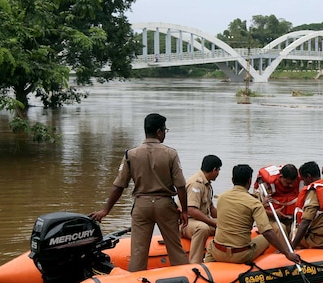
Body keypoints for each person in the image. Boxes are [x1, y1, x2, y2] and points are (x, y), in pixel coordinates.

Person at [89, 113, 189, 271]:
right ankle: (187, 281)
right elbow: (181, 186)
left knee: (138, 252)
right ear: (158, 132)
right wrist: (184, 211)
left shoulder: (131, 154)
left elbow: (118, 186)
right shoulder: (171, 154)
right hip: (165, 205)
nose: (164, 133)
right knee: (175, 249)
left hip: (141, 206)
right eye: (164, 130)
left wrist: (105, 210)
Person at [204, 164, 301, 265]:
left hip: (217, 251)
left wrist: (262, 204)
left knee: (212, 245)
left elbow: (239, 210)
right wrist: (287, 253)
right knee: (268, 237)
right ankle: (273, 261)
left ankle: (203, 267)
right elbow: (267, 231)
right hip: (241, 255)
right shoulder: (254, 203)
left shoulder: (221, 198)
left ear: (232, 180)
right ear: (249, 181)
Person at [182, 154, 222, 264]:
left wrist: (227, 218)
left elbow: (212, 210)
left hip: (201, 219)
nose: (218, 173)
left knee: (227, 224)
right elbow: (191, 210)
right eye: (218, 170)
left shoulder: (207, 185)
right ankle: (194, 263)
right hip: (187, 222)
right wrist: (213, 223)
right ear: (214, 170)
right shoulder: (196, 184)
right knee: (202, 228)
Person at [254, 164, 301, 238]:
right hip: (272, 219)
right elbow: (255, 209)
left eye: (292, 183)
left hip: (292, 219)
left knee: (297, 230)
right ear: (281, 177)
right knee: (281, 228)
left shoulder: (301, 183)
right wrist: (273, 213)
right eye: (287, 183)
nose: (290, 186)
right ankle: (284, 249)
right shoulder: (266, 185)